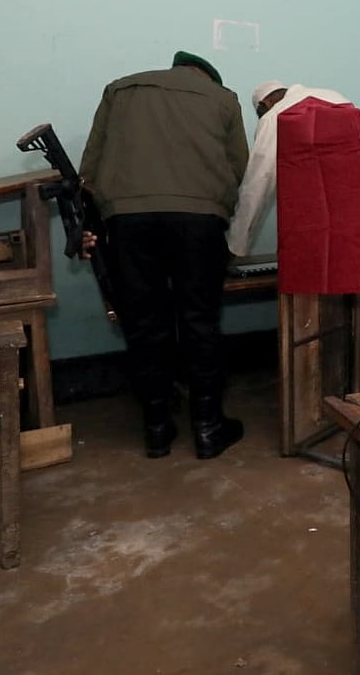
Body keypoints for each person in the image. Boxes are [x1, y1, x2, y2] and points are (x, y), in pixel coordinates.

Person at [79, 51, 249, 459]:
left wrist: (100, 221)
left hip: (128, 219)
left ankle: (157, 430)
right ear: (205, 76)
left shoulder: (120, 89)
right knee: (199, 320)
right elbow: (238, 166)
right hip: (198, 221)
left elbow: (91, 166)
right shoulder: (222, 98)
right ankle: (208, 430)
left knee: (144, 323)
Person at [226, 80, 350, 257]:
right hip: (355, 212)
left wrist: (236, 244)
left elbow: (259, 182)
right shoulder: (337, 98)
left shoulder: (276, 115)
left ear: (265, 104)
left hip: (315, 221)